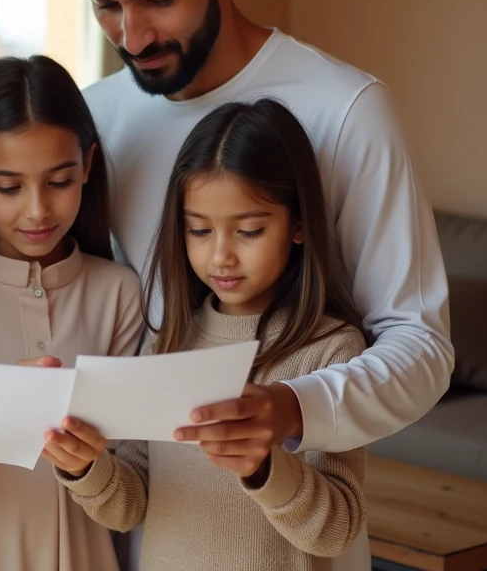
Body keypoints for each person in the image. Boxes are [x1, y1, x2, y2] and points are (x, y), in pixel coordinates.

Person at [57, 0, 453, 566]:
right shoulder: (98, 120)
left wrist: (291, 409)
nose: (132, 35)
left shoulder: (346, 109)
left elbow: (421, 347)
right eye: (105, 6)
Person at [45, 99, 368, 570]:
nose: (221, 257)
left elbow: (337, 530)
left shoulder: (331, 350)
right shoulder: (167, 344)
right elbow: (130, 506)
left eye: (250, 231)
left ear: (298, 223)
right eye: (199, 230)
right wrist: (84, 466)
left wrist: (264, 467)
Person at [0, 55, 145, 570]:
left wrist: (90, 467)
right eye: (8, 187)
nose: (38, 210)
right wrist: (1, 406)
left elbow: (135, 488)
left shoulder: (119, 293)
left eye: (59, 181)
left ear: (87, 165)